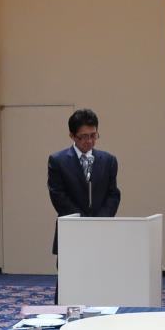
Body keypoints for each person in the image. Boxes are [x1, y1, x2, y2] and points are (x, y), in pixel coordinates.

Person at [47, 108, 121, 254]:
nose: (90, 141)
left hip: (101, 229)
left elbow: (113, 194)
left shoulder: (109, 160)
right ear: (72, 136)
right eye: (84, 136)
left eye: (93, 135)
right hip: (72, 229)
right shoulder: (58, 161)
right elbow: (58, 196)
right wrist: (83, 221)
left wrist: (100, 220)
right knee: (70, 275)